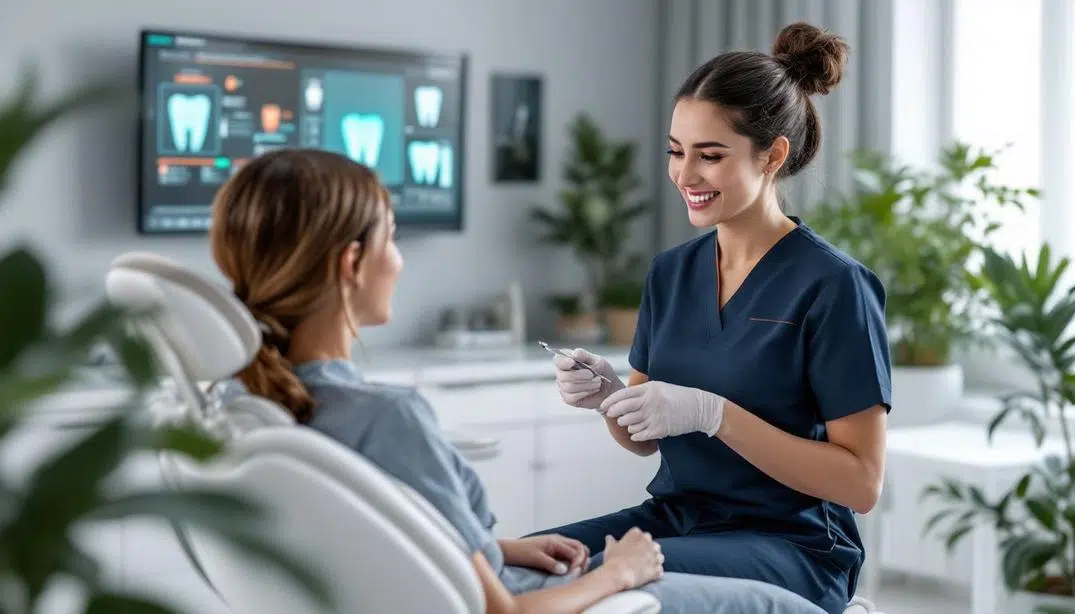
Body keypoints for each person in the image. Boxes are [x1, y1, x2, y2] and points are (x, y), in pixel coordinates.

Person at [208, 147, 828, 614]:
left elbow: (387, 541)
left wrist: (496, 548)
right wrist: (616, 575)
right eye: (392, 239)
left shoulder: (244, 401)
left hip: (505, 573)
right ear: (351, 263)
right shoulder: (386, 418)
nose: (397, 260)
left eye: (707, 154)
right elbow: (497, 611)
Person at [533, 22, 891, 614]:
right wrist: (609, 398)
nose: (685, 175)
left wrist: (713, 414)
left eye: (711, 156)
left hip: (794, 545)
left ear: (773, 154)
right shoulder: (671, 274)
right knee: (526, 564)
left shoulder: (834, 286)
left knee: (603, 585)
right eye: (676, 151)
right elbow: (644, 444)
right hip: (680, 518)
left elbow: (861, 483)